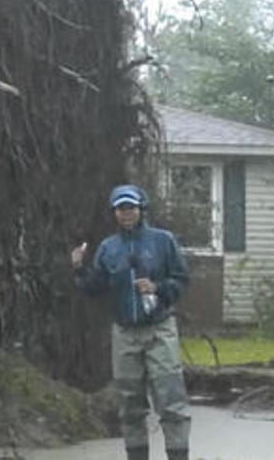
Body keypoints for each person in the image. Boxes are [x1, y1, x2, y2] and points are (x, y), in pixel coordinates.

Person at [71, 183, 191, 460]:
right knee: (129, 404)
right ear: (114, 213)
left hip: (160, 328)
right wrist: (79, 268)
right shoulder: (108, 248)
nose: (126, 213)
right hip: (124, 333)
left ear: (141, 209)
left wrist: (158, 288)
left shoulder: (163, 240)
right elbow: (94, 287)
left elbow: (182, 280)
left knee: (171, 401)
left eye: (131, 208)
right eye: (121, 209)